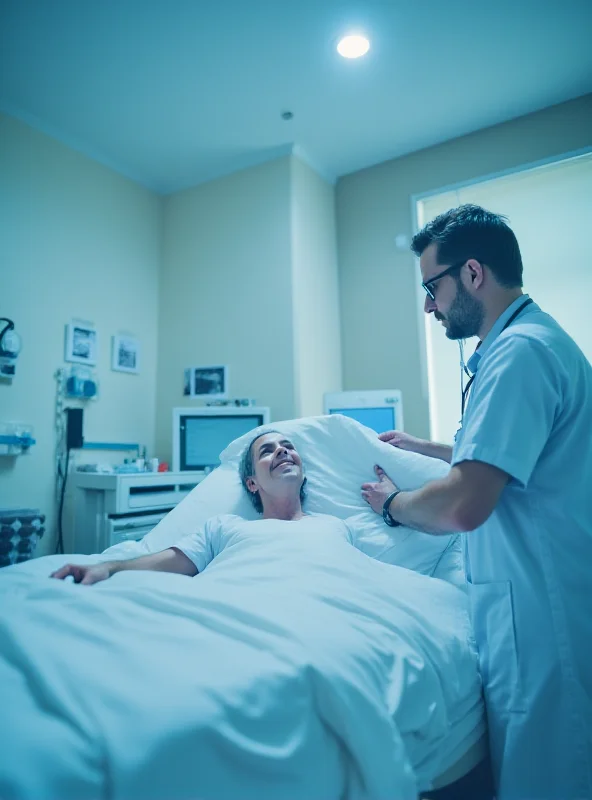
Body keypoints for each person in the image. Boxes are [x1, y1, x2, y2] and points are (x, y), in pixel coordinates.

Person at [361, 204, 592, 800]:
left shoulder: (519, 355)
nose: (429, 305)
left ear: (471, 273)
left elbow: (464, 505)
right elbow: (512, 453)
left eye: (431, 287)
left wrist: (393, 504)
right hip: (537, 603)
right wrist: (429, 447)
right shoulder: (532, 342)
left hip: (543, 619)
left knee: (548, 780)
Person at [51, 431, 349, 585]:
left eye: (288, 447)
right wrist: (108, 567)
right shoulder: (226, 528)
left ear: (303, 471)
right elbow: (167, 562)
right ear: (252, 484)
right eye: (267, 451)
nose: (282, 450)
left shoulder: (335, 527)